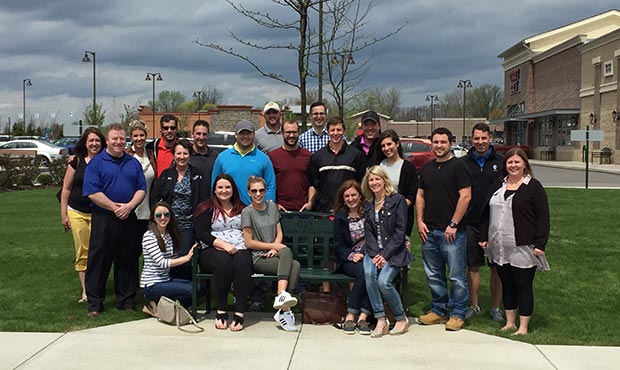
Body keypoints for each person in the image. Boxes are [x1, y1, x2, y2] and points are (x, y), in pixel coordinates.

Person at [479, 148, 550, 335]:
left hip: (523, 246)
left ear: (525, 164)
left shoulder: (533, 186)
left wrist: (540, 244)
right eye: (510, 162)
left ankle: (524, 326)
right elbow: (486, 213)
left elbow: (543, 217)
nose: (513, 165)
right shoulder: (498, 185)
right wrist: (484, 237)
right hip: (499, 245)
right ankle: (510, 322)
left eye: (517, 162)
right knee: (507, 284)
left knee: (523, 285)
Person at [83, 123, 146, 317]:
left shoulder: (133, 162)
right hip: (104, 217)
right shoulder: (97, 163)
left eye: (121, 138)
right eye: (114, 138)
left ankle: (126, 301)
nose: (119, 142)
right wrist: (114, 207)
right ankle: (95, 304)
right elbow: (93, 192)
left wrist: (128, 207)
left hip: (128, 217)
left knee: (127, 259)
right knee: (99, 260)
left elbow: (141, 189)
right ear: (107, 140)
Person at [416, 127, 472, 331]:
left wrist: (453, 224)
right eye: (436, 142)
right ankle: (439, 310)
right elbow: (420, 196)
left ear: (450, 143)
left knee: (456, 275)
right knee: (433, 274)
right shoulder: (427, 167)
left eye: (443, 142)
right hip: (429, 231)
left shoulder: (459, 167)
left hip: (452, 233)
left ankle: (458, 313)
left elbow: (465, 196)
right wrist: (420, 221)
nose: (439, 146)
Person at [195, 174, 253, 332]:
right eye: (220, 187)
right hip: (212, 249)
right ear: (214, 190)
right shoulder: (206, 208)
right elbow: (201, 233)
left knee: (243, 263)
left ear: (233, 189)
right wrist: (224, 245)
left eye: (227, 187)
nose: (224, 190)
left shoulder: (242, 208)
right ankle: (221, 310)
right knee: (224, 263)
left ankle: (239, 312)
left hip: (240, 247)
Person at [242, 176, 301, 332]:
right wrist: (273, 246)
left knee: (292, 260)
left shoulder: (272, 207)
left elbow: (279, 232)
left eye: (261, 190)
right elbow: (249, 242)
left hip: (274, 253)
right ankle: (283, 301)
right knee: (292, 262)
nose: (258, 194)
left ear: (266, 191)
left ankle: (283, 304)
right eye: (254, 191)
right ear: (248, 192)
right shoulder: (247, 212)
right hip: (259, 258)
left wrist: (275, 249)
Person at [361, 166, 412, 338]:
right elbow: (368, 232)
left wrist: (385, 255)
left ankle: (401, 318)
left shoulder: (397, 200)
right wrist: (376, 254)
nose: (374, 183)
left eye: (377, 179)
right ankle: (380, 319)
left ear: (384, 180)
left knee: (384, 282)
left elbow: (400, 231)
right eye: (371, 180)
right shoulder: (368, 204)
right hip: (374, 251)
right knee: (369, 272)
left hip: (394, 251)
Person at [462, 123, 504, 322]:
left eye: (483, 138)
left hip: (496, 223)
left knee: (496, 266)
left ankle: (496, 307)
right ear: (472, 139)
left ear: (490, 138)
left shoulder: (501, 162)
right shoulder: (464, 163)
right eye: (476, 138)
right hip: (470, 222)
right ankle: (474, 305)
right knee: (472, 265)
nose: (480, 142)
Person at [150, 139, 209, 280]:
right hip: (168, 225)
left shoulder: (197, 175)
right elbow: (155, 198)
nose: (182, 157)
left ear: (189, 155)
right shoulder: (166, 174)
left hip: (188, 225)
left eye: (185, 153)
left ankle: (185, 290)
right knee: (168, 257)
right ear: (174, 155)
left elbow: (205, 200)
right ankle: (168, 287)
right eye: (179, 153)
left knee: (185, 259)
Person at [60, 127, 105, 303]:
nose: (94, 144)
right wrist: (63, 214)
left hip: (99, 212)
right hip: (77, 211)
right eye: (91, 141)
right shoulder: (76, 162)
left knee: (100, 250)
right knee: (82, 250)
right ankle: (86, 291)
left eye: (97, 141)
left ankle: (97, 286)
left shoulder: (106, 162)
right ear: (85, 143)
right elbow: (66, 188)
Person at [140, 201, 196, 318]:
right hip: (151, 284)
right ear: (153, 218)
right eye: (158, 215)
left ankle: (164, 308)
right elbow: (163, 263)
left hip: (165, 279)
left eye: (166, 214)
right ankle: (158, 305)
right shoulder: (149, 236)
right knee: (191, 291)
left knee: (198, 288)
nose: (163, 218)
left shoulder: (169, 235)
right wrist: (186, 258)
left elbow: (172, 257)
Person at [332, 180, 371, 335]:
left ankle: (362, 316)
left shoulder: (369, 212)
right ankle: (352, 314)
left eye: (353, 195)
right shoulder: (341, 218)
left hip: (370, 256)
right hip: (349, 260)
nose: (350, 199)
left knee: (370, 272)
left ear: (360, 195)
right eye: (347, 196)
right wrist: (352, 255)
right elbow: (338, 246)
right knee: (363, 272)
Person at [211, 120, 276, 206]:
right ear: (236, 135)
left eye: (248, 133)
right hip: (229, 211)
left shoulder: (264, 159)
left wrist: (266, 207)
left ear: (254, 134)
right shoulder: (222, 157)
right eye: (242, 133)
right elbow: (214, 185)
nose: (245, 136)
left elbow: (270, 185)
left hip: (255, 211)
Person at [308, 116, 365, 213]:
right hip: (323, 210)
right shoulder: (317, 157)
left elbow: (361, 183)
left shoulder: (356, 155)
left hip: (348, 210)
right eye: (332, 130)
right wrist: (310, 202)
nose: (335, 133)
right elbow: (313, 184)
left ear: (344, 131)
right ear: (328, 131)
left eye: (339, 130)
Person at [378, 129, 418, 239]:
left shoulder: (408, 167)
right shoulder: (379, 166)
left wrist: (395, 209)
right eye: (383, 146)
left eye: (389, 144)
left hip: (400, 218)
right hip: (381, 218)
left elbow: (412, 195)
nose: (386, 148)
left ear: (397, 143)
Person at [267, 119, 312, 212]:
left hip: (303, 210)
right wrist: (274, 204)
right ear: (282, 133)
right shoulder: (272, 156)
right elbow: (268, 183)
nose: (291, 135)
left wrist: (310, 202)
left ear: (298, 133)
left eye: (294, 132)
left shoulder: (308, 156)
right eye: (288, 132)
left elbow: (313, 183)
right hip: (280, 210)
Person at [125, 120, 156, 235]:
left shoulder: (151, 155)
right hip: (130, 209)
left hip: (148, 208)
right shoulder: (125, 155)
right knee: (131, 247)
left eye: (141, 135)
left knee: (148, 246)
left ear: (146, 136)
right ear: (131, 138)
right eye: (135, 136)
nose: (139, 138)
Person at [189, 119, 220, 196]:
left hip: (210, 202)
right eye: (198, 134)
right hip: (189, 202)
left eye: (204, 134)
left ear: (208, 135)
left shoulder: (216, 157)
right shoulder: (185, 156)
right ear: (192, 134)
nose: (201, 137)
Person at [146, 114, 178, 178]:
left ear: (177, 129)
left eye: (172, 128)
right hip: (157, 187)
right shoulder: (152, 147)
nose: (169, 131)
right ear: (161, 130)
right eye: (166, 128)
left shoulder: (183, 147)